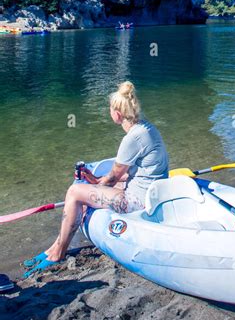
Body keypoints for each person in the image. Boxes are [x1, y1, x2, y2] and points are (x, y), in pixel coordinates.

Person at [23, 81, 169, 277]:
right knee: (88, 188)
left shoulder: (132, 139)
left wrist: (93, 182)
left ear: (117, 113)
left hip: (139, 201)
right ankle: (53, 246)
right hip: (149, 193)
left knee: (74, 192)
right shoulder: (146, 128)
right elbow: (128, 174)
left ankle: (57, 253)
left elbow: (112, 178)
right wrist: (95, 179)